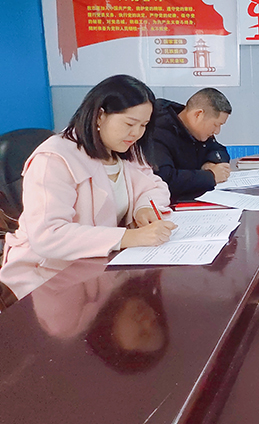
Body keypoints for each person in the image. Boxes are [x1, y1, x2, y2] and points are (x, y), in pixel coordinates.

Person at [0, 75, 176, 302]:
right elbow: (48, 235)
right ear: (100, 115)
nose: (136, 133)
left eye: (143, 125)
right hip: (47, 278)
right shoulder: (54, 158)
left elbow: (154, 186)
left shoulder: (125, 151)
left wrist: (144, 208)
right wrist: (128, 237)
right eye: (129, 124)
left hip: (100, 270)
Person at [149, 88, 232, 201]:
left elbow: (218, 149)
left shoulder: (197, 130)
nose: (217, 131)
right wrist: (210, 176)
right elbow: (165, 179)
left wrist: (210, 163)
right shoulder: (158, 131)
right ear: (198, 114)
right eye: (216, 125)